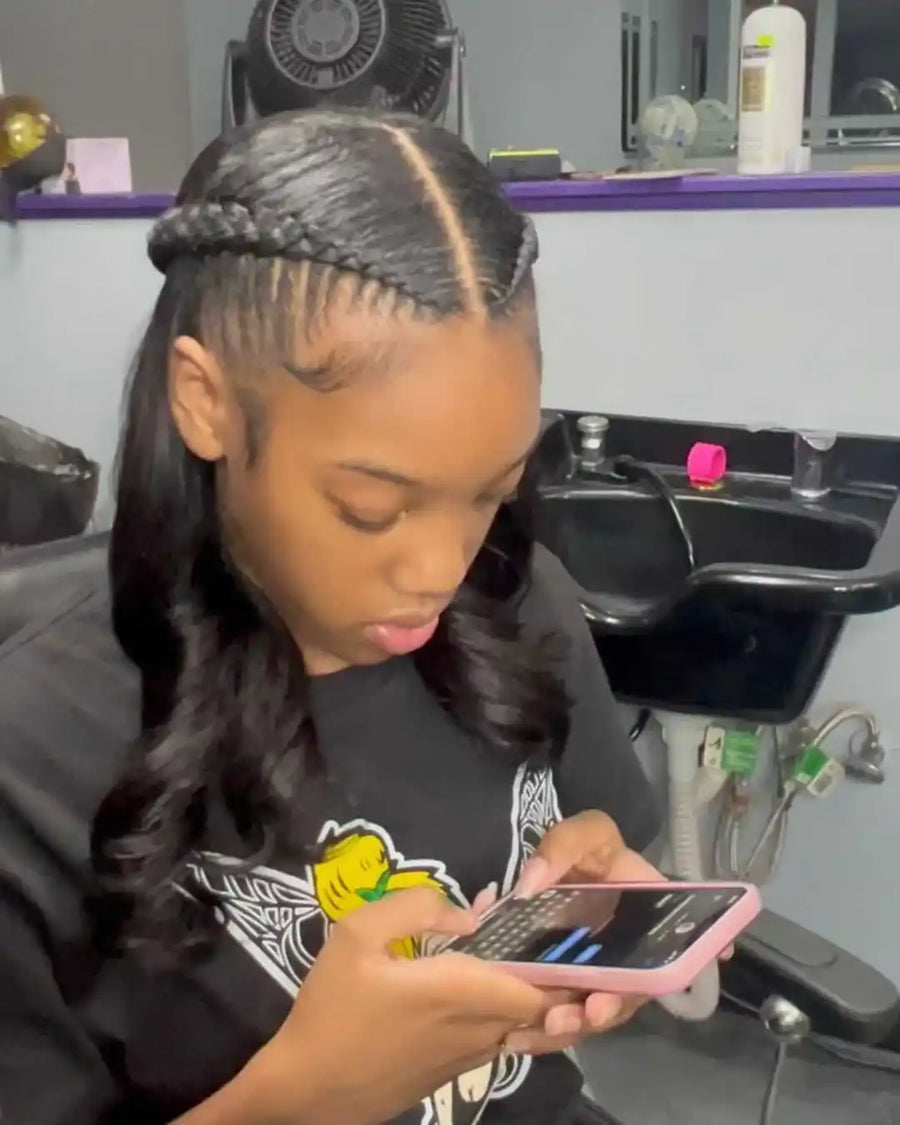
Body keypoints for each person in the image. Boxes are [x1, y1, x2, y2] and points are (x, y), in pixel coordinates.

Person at [0, 109, 663, 1125]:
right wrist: (304, 1100)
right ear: (205, 402)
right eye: (370, 509)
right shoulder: (30, 753)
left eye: (489, 492)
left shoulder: (518, 598)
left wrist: (597, 890)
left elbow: (601, 844)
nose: (440, 570)